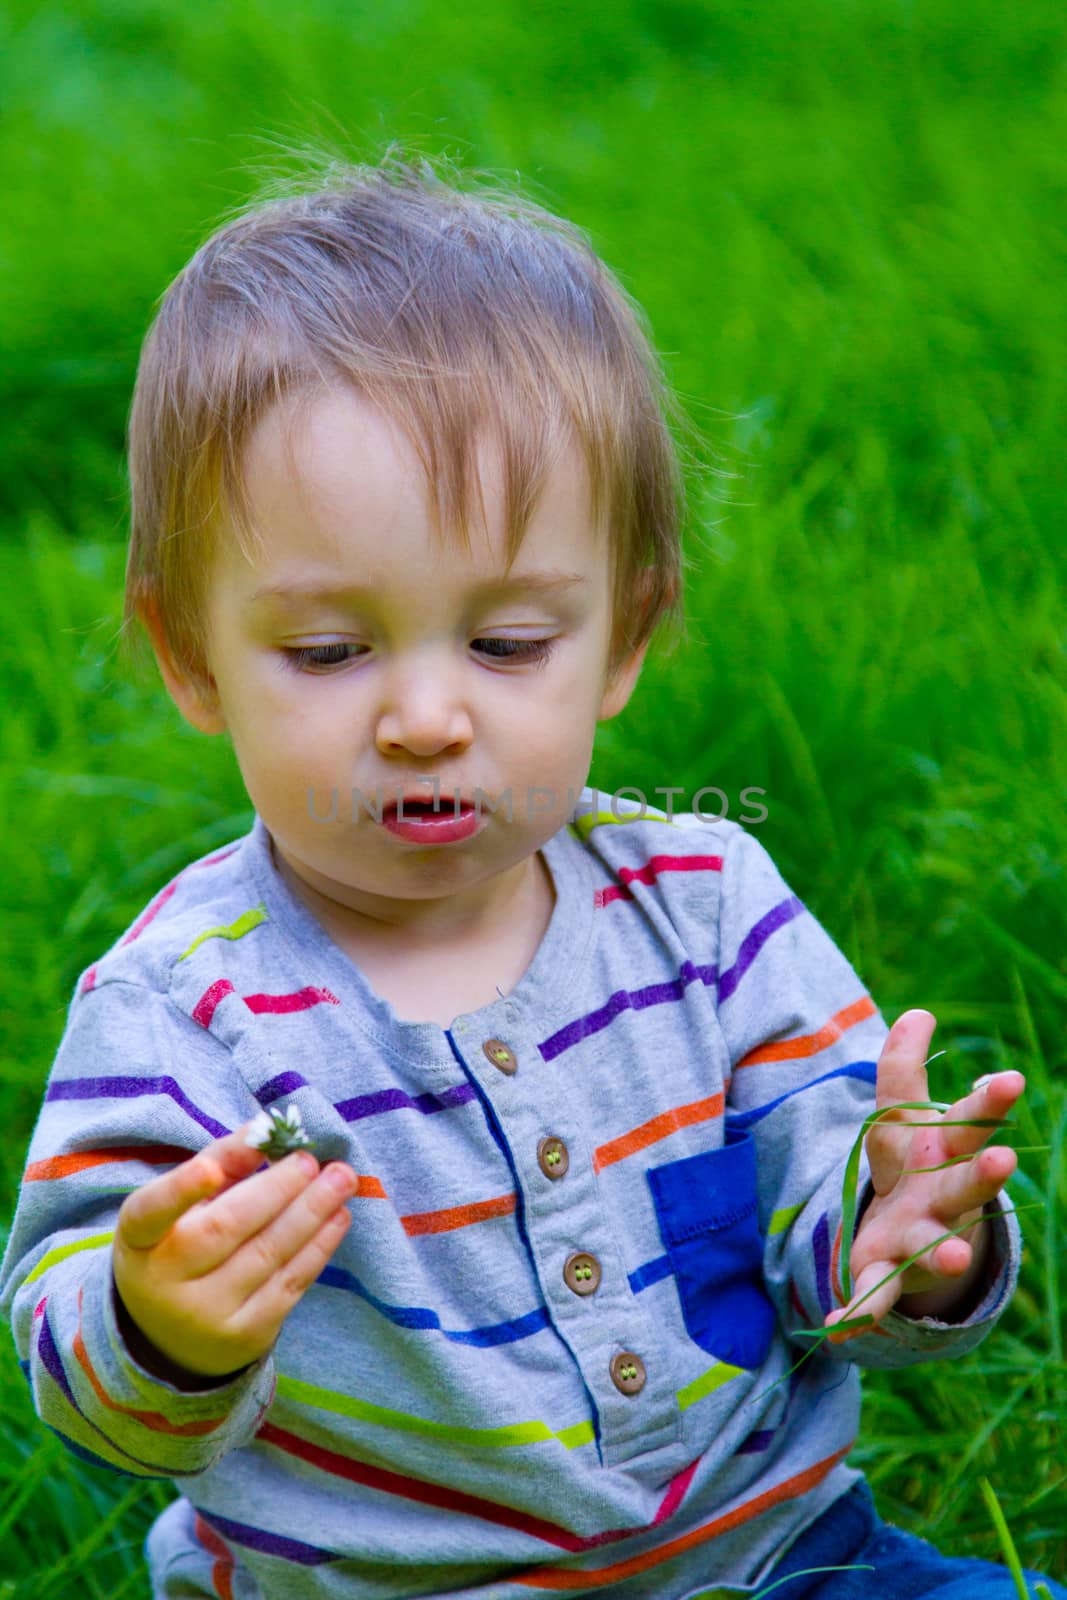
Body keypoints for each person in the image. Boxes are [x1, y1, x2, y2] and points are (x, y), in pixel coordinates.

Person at [1, 151, 1060, 1600]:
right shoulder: (185, 1007)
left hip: (775, 1564)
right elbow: (88, 1379)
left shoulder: (705, 907)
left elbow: (834, 1266)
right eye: (328, 651)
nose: (428, 714)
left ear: (624, 636)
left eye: (506, 645)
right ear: (191, 655)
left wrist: (897, 1239)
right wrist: (160, 1322)